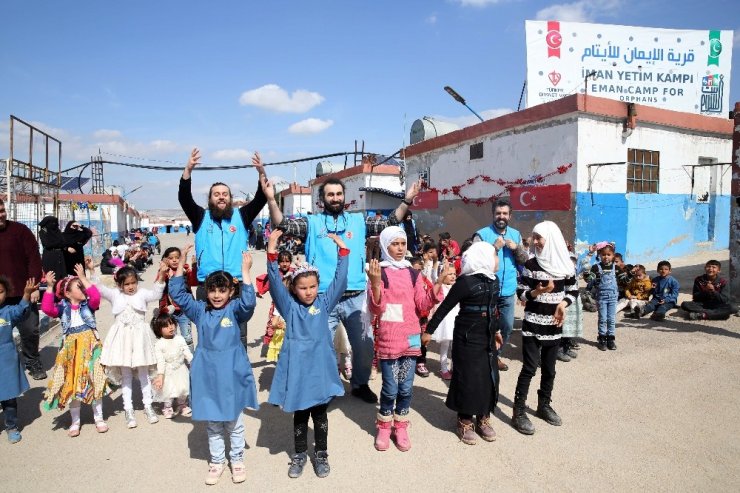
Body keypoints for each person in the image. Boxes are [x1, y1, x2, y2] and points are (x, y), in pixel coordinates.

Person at [263, 174, 423, 404]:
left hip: (355, 295)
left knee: (365, 344)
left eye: (339, 194)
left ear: (344, 197)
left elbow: (389, 223)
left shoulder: (359, 221)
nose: (335, 198)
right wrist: (271, 199)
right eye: (330, 194)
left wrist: (407, 200)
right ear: (322, 199)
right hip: (321, 298)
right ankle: (325, 388)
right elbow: (283, 224)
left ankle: (360, 384)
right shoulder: (312, 223)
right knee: (321, 348)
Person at [168, 246, 257, 486]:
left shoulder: (235, 310)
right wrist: (181, 265)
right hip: (206, 373)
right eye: (213, 291)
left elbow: (249, 303)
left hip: (232, 373)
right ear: (206, 292)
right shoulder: (199, 312)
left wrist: (245, 272)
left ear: (230, 292)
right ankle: (217, 461)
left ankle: (236, 459)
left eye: (222, 290)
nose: (217, 295)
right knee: (214, 422)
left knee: (234, 421)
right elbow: (178, 294)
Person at [266, 230, 347, 478]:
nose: (309, 292)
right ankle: (299, 455)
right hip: (299, 372)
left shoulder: (323, 304)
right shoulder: (289, 307)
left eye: (313, 286)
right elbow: (275, 285)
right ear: (294, 288)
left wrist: (342, 251)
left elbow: (340, 282)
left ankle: (321, 454)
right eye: (303, 288)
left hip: (320, 371)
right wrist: (271, 250)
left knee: (320, 415)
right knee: (300, 415)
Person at [178, 148, 267, 352]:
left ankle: (238, 377)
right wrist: (188, 171)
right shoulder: (200, 217)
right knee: (208, 336)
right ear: (210, 199)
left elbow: (260, 198)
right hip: (206, 286)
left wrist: (261, 173)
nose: (221, 197)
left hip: (236, 286)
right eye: (216, 194)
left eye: (225, 194)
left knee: (239, 335)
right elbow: (184, 198)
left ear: (230, 198)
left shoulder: (241, 216)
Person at [367, 226, 445, 452]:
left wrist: (437, 284)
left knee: (406, 387)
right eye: (395, 244)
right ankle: (384, 426)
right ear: (385, 246)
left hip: (411, 337)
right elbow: (376, 307)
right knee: (390, 387)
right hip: (390, 338)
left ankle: (400, 425)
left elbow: (422, 305)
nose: (400, 249)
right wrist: (374, 283)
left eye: (403, 244)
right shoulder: (378, 272)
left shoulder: (413, 273)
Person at [423, 242, 501, 445]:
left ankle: (483, 416)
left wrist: (497, 330)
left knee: (488, 375)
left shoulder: (494, 281)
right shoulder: (465, 283)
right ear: (483, 258)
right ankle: (465, 419)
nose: (497, 260)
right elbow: (444, 308)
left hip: (488, 336)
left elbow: (494, 309)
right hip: (467, 337)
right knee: (468, 376)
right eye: (495, 255)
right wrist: (429, 331)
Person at [512, 221, 578, 435]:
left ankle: (544, 406)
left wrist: (563, 303)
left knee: (549, 369)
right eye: (534, 237)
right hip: (532, 324)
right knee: (529, 368)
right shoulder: (531, 265)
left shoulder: (566, 265)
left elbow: (574, 290)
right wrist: (538, 292)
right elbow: (521, 293)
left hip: (554, 325)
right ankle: (519, 411)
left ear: (552, 238)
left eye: (539, 237)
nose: (535, 241)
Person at [41, 262, 109, 436]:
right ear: (67, 293)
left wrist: (83, 278)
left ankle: (99, 418)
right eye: (78, 287)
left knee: (95, 381)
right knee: (71, 384)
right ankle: (75, 421)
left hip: (90, 346)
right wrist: (49, 287)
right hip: (71, 350)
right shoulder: (63, 307)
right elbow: (47, 308)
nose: (83, 290)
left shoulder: (89, 305)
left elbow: (95, 296)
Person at [98, 264, 168, 429]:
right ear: (119, 285)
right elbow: (100, 289)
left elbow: (156, 293)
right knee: (126, 376)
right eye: (127, 284)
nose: (131, 287)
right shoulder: (115, 295)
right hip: (122, 342)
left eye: (133, 282)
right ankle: (128, 409)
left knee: (144, 374)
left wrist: (162, 276)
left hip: (139, 340)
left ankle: (148, 406)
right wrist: (89, 274)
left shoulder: (142, 293)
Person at [474, 199, 529, 371]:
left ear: (510, 216)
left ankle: (495, 355)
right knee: (485, 326)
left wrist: (516, 249)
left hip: (508, 290)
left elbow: (524, 261)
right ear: (493, 214)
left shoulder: (516, 234)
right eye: (498, 213)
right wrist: (494, 248)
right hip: (487, 290)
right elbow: (474, 262)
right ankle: (483, 357)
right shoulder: (481, 235)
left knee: (506, 326)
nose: (501, 216)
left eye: (505, 213)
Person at [0, 198, 45, 380]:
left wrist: (34, 287)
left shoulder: (20, 231)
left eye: (2, 210)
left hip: (23, 293)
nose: (1, 214)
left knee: (30, 329)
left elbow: (34, 259)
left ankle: (32, 361)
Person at [0, 276, 37, 443]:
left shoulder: (8, 312)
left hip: (6, 360)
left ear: (6, 293)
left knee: (8, 397)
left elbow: (21, 311)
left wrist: (26, 295)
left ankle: (11, 426)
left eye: (0, 292)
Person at [150, 313, 193, 419]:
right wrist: (160, 376)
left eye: (172, 324)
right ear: (158, 330)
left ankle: (182, 404)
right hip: (167, 372)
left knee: (183, 389)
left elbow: (187, 352)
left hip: (181, 369)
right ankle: (167, 407)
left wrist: (193, 362)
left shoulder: (180, 339)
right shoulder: (159, 344)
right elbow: (160, 361)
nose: (170, 327)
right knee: (168, 390)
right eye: (166, 326)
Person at [157, 247, 197, 352]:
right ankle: (173, 358)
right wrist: (162, 272)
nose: (174, 260)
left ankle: (191, 361)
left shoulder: (185, 270)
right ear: (166, 260)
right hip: (169, 310)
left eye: (177, 257)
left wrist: (194, 266)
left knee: (187, 337)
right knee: (170, 337)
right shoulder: (164, 272)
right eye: (171, 258)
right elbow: (157, 286)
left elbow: (194, 282)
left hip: (184, 311)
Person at [583, 242, 620, 351]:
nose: (606, 257)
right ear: (599, 255)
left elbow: (624, 279)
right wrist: (587, 274)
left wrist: (631, 273)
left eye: (608, 254)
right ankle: (602, 339)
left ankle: (611, 339)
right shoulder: (596, 267)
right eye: (603, 254)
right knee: (603, 319)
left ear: (613, 256)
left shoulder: (615, 268)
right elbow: (589, 279)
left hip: (613, 297)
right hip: (602, 298)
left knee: (611, 319)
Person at [430, 265, 459, 380]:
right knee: (445, 344)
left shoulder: (457, 287)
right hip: (446, 320)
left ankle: (453, 367)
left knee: (456, 345)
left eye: (454, 274)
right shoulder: (440, 287)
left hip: (456, 317)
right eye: (449, 274)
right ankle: (443, 368)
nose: (452, 276)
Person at [38, 216, 68, 281]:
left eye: (55, 222)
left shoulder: (57, 231)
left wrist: (57, 243)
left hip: (59, 255)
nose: (54, 224)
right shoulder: (43, 231)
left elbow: (64, 243)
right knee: (51, 276)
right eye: (52, 222)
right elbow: (47, 244)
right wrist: (59, 243)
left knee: (61, 276)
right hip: (50, 256)